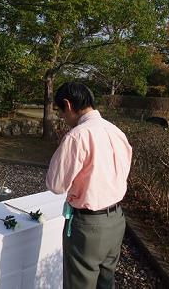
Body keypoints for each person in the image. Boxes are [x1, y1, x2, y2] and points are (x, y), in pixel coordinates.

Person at [45, 82, 132, 289]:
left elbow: (56, 185)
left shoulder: (77, 136)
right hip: (117, 220)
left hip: (88, 226)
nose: (63, 118)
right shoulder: (116, 131)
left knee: (80, 283)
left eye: (61, 111)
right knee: (106, 281)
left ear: (68, 104)